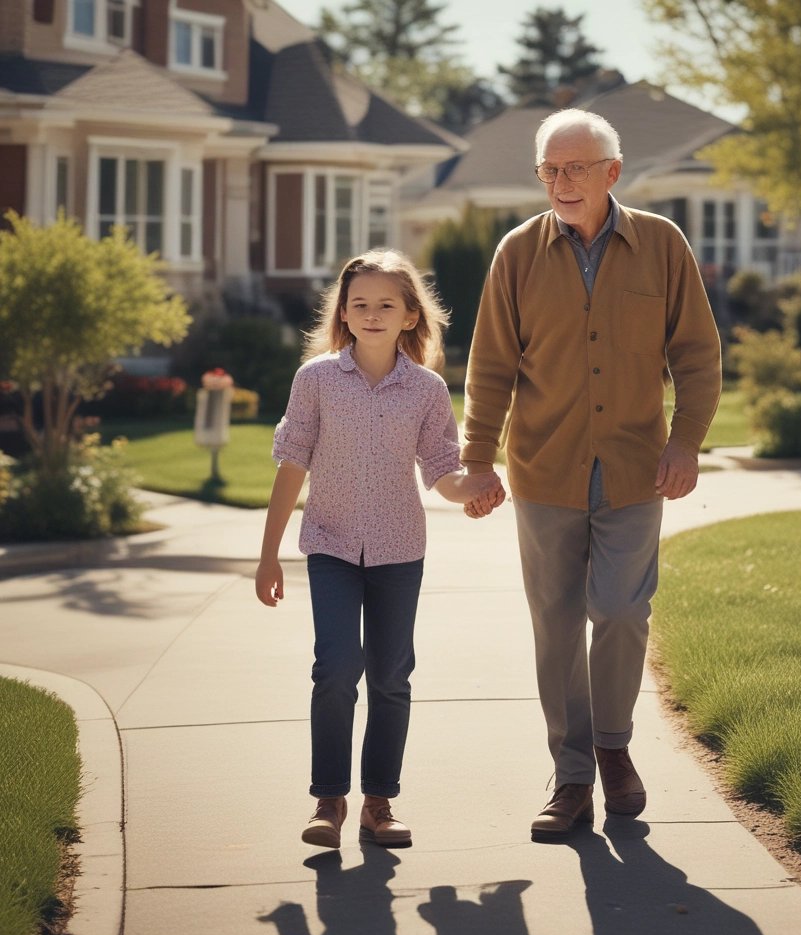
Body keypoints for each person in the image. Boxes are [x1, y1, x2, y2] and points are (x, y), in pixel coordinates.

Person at [461, 109, 722, 840]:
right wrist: (478, 459)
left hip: (638, 469)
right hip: (544, 471)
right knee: (554, 625)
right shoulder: (516, 253)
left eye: (576, 167)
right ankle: (572, 776)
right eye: (550, 168)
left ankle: (613, 747)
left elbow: (698, 356)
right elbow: (490, 368)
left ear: (613, 172)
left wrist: (687, 442)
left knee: (619, 611)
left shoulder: (662, 246)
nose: (562, 181)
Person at [256, 249, 504, 851]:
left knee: (392, 677)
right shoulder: (314, 379)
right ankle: (328, 801)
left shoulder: (424, 389)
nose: (371, 314)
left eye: (385, 305)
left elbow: (442, 469)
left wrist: (474, 488)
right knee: (337, 670)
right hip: (330, 546)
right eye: (359, 304)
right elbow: (292, 466)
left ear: (411, 316)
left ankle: (378, 803)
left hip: (399, 550)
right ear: (343, 312)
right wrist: (268, 556)